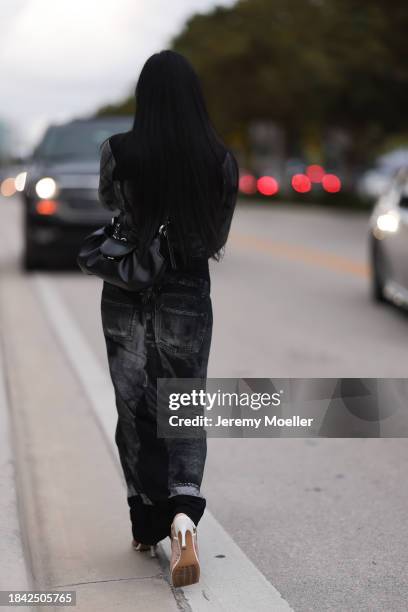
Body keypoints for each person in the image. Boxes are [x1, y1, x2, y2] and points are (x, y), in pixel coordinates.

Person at [97, 49, 238, 587]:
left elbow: (112, 204)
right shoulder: (219, 159)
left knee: (133, 405)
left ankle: (145, 521)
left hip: (126, 292)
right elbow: (216, 236)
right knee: (183, 403)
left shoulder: (118, 150)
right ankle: (183, 517)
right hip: (187, 293)